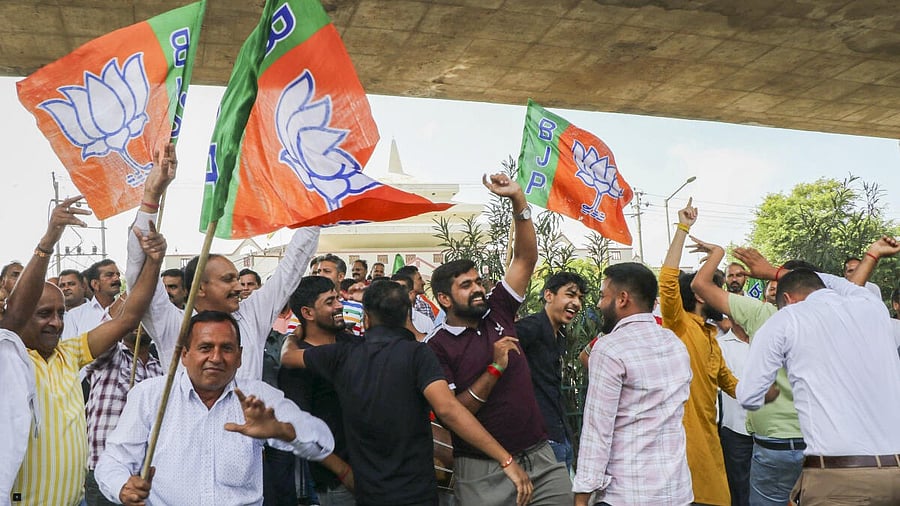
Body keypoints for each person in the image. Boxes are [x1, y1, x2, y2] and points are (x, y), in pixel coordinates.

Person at [282, 280, 533, 506]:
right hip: (416, 492)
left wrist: (293, 336)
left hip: (368, 491)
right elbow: (448, 409)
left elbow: (288, 357)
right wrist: (505, 459)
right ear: (407, 316)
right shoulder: (418, 354)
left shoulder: (342, 355)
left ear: (366, 318)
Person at [9, 195, 165, 506]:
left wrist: (155, 262)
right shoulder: (10, 359)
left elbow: (130, 316)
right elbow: (14, 312)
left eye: (61, 313)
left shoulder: (71, 354)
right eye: (44, 314)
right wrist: (49, 239)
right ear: (24, 312)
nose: (56, 323)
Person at [426, 173, 571, 505]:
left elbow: (525, 259)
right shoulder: (436, 347)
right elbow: (455, 413)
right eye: (466, 285)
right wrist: (494, 368)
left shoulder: (498, 309)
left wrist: (518, 200)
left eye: (478, 281)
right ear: (444, 300)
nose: (478, 288)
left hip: (542, 460)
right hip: (482, 473)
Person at [95, 311, 335, 506]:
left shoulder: (257, 397)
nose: (216, 357)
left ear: (239, 357)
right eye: (205, 348)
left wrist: (283, 431)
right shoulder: (151, 396)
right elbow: (113, 461)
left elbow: (323, 442)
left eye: (227, 349)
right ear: (185, 355)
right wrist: (123, 487)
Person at [124, 143, 320, 380]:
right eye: (228, 280)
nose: (239, 287)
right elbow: (138, 279)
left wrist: (315, 193)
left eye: (237, 278)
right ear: (200, 287)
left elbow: (293, 265)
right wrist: (151, 197)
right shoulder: (172, 324)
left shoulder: (252, 315)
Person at [737, 236, 900, 506]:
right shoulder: (872, 307)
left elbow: (748, 395)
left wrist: (770, 392)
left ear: (787, 299)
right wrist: (872, 254)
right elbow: (838, 284)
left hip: (839, 481)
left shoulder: (787, 319)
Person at [690, 237, 811, 506]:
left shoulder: (762, 314)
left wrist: (718, 252)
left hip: (772, 445)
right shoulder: (833, 318)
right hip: (819, 444)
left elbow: (700, 285)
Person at [574, 262, 693, 505]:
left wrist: (582, 496)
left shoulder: (609, 349)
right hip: (677, 491)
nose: (598, 304)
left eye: (602, 296)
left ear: (622, 299)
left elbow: (597, 432)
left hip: (628, 493)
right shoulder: (674, 343)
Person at [660, 198, 737, 506]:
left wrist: (772, 392)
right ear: (699, 294)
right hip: (682, 451)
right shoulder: (678, 325)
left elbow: (730, 383)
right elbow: (667, 282)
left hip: (710, 447)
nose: (725, 297)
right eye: (717, 289)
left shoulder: (711, 336)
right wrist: (682, 228)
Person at [280, 276, 360, 506]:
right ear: (307, 313)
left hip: (374, 470)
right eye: (329, 302)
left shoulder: (353, 344)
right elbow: (297, 429)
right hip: (338, 482)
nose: (339, 305)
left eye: (337, 298)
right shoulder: (295, 367)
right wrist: (343, 471)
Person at [514, 271, 586, 472]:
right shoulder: (530, 328)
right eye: (570, 295)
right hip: (539, 440)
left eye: (579, 298)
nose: (576, 303)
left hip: (559, 431)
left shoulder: (560, 334)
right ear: (548, 295)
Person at [83, 327, 163, 506]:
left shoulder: (161, 369)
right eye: (136, 317)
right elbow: (107, 327)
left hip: (144, 482)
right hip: (103, 474)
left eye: (145, 318)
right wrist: (131, 305)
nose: (139, 324)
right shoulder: (109, 356)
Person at [62, 258, 122, 339]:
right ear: (95, 284)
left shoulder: (127, 310)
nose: (116, 279)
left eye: (118, 275)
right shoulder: (75, 316)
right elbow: (69, 348)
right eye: (109, 275)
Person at [392, 273, 434, 339]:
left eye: (401, 289)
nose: (396, 293)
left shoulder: (426, 321)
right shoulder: (382, 320)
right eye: (393, 289)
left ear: (411, 294)